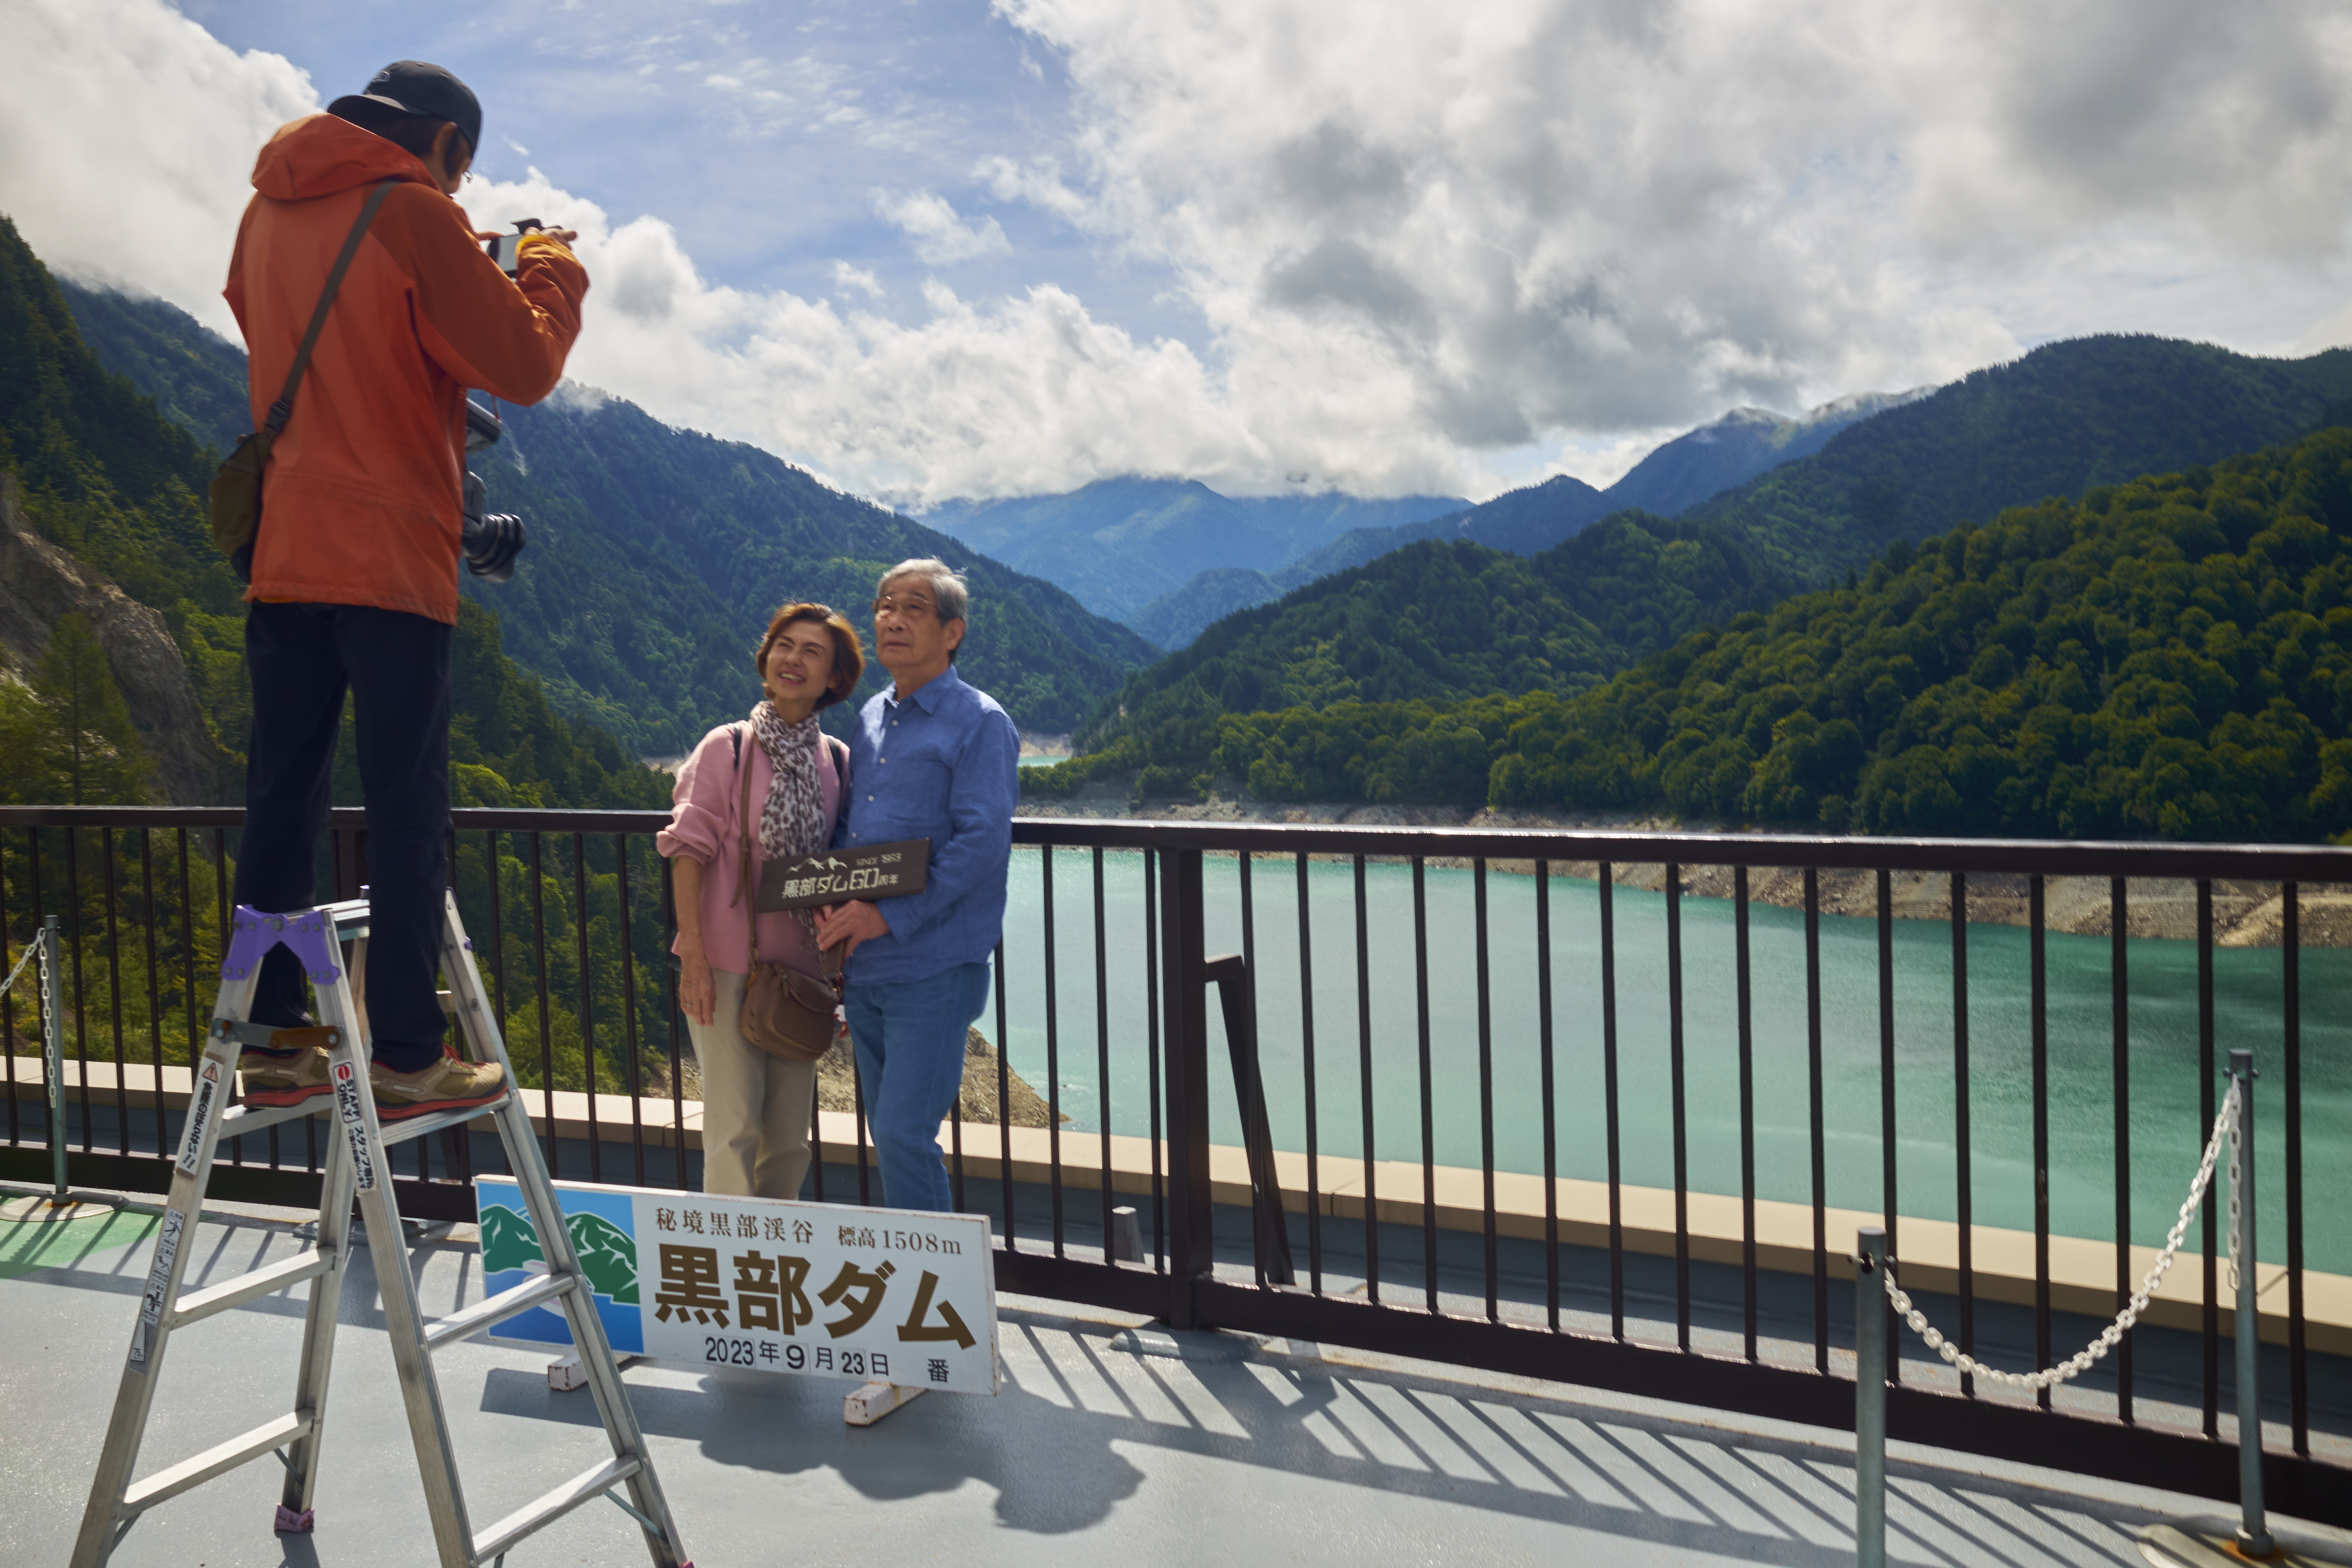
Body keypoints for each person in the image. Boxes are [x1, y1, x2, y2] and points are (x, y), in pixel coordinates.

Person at [226, 61, 589, 1116]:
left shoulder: (265, 210)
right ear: (447, 146)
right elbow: (523, 364)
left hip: (286, 545)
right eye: (461, 175)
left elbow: (285, 335)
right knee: (405, 804)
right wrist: (549, 264)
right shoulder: (411, 209)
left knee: (282, 797)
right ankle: (406, 1056)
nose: (460, 196)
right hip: (389, 550)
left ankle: (275, 1037)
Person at [815, 560, 1019, 1212]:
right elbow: (853, 826)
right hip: (868, 965)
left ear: (952, 632)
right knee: (889, 1132)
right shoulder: (874, 714)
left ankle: (945, 1301)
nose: (891, 620)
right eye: (883, 606)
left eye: (913, 609)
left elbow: (982, 842)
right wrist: (835, 908)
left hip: (934, 964)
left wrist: (891, 917)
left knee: (905, 1133)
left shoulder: (980, 721)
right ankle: (919, 1292)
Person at [659, 605, 863, 1199]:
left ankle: (774, 1265)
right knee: (734, 1128)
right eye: (784, 645)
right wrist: (691, 957)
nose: (792, 659)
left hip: (802, 976)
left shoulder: (840, 762)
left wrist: (839, 974)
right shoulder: (728, 748)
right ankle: (732, 1270)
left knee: (789, 1138)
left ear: (834, 678)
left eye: (811, 652)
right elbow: (687, 850)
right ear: (766, 659)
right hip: (724, 968)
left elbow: (837, 870)